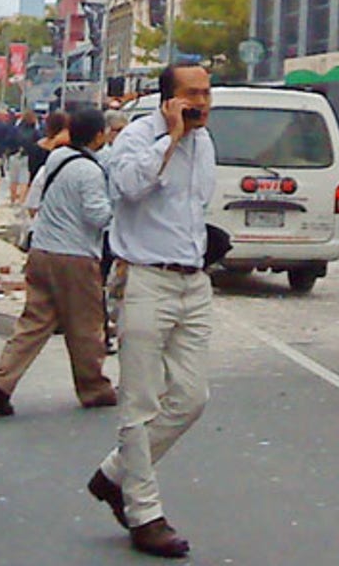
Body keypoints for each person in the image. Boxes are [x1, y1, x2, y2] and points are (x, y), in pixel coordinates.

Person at [87, 62, 217, 559]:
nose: (201, 103)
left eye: (206, 94)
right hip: (144, 279)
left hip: (192, 281)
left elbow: (193, 209)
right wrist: (171, 139)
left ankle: (113, 475)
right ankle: (144, 513)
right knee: (140, 403)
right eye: (191, 95)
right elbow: (127, 189)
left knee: (191, 397)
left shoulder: (206, 144)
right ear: (167, 99)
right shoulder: (138, 138)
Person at [0, 108, 117, 416]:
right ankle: (93, 387)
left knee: (34, 322)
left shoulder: (58, 158)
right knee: (86, 324)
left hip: (41, 251)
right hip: (75, 256)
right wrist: (120, 210)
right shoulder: (90, 171)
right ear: (98, 135)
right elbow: (97, 216)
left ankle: (1, 380)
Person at [7, 110, 42, 205]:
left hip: (14, 155)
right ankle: (21, 201)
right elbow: (38, 145)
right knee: (24, 180)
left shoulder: (15, 130)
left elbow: (9, 142)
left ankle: (12, 200)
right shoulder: (35, 132)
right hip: (27, 156)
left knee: (13, 179)